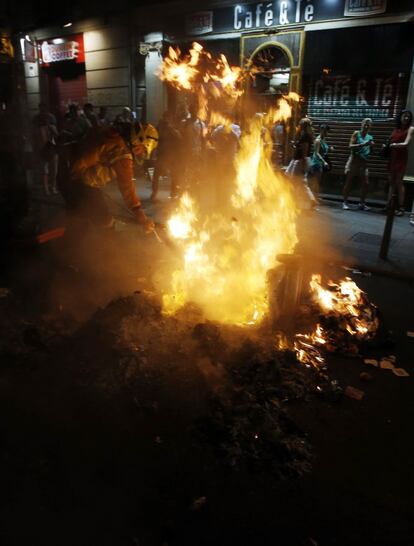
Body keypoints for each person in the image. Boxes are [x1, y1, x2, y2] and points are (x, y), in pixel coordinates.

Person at [59, 122, 158, 231]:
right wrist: (141, 215)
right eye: (142, 149)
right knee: (105, 222)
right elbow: (127, 187)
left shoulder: (110, 133)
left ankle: (69, 240)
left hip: (66, 176)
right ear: (137, 140)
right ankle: (100, 246)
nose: (140, 153)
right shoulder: (122, 151)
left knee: (77, 218)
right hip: (79, 183)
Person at [386, 110, 414, 217]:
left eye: (408, 117)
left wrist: (394, 145)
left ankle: (401, 207)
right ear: (400, 117)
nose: (406, 118)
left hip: (401, 158)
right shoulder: (396, 129)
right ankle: (390, 206)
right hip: (392, 157)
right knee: (391, 182)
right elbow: (390, 141)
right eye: (404, 116)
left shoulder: (411, 129)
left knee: (399, 182)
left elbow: (406, 143)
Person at [343, 118, 374, 211]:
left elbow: (370, 150)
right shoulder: (356, 133)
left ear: (371, 126)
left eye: (368, 124)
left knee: (366, 183)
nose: (366, 126)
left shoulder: (370, 137)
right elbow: (350, 146)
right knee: (349, 182)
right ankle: (344, 202)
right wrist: (363, 144)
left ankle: (362, 203)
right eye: (365, 124)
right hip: (354, 161)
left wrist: (371, 147)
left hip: (363, 163)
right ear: (362, 124)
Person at [285, 117, 317, 209]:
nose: (298, 125)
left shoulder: (305, 136)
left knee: (297, 181)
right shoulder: (304, 135)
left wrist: (303, 165)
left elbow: (304, 151)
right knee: (297, 180)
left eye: (300, 124)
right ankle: (309, 200)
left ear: (303, 125)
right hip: (297, 160)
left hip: (299, 161)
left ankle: (296, 200)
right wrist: (295, 145)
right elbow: (301, 148)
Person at [151, 111, 182, 202]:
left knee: (174, 174)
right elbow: (154, 139)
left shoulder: (172, 127)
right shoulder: (159, 127)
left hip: (170, 155)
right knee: (156, 175)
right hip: (162, 155)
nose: (168, 119)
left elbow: (179, 137)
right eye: (167, 117)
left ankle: (173, 193)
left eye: (169, 117)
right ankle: (154, 193)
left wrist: (171, 129)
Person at [32, 103, 59, 195]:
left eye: (44, 109)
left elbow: (56, 134)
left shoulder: (52, 119)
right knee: (45, 170)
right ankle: (46, 189)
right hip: (42, 148)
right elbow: (34, 136)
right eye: (41, 109)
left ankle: (53, 187)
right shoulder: (36, 120)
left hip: (51, 148)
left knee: (53, 170)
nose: (43, 111)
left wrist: (50, 127)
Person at [309, 123, 332, 198]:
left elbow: (323, 150)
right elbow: (317, 153)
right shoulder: (318, 140)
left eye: (327, 131)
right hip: (316, 164)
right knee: (315, 183)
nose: (326, 133)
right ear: (320, 130)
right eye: (324, 131)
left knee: (317, 183)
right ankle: (313, 199)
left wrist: (329, 149)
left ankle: (314, 198)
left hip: (319, 164)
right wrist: (324, 162)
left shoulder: (323, 139)